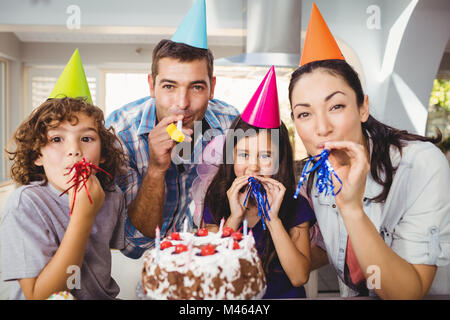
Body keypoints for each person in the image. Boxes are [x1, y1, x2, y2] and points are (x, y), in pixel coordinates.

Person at [288, 3, 449, 299]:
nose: (322, 128)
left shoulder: (420, 164)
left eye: (336, 106)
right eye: (305, 114)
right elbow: (334, 251)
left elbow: (405, 293)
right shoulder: (314, 178)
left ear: (363, 107)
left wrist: (351, 208)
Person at [106, 0, 238, 259]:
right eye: (169, 86)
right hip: (146, 265)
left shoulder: (231, 124)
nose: (182, 103)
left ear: (211, 86)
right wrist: (156, 169)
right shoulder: (120, 133)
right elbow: (134, 244)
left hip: (213, 260)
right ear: (151, 85)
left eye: (196, 87)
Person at [202, 67, 315, 299]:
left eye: (265, 156)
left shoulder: (296, 205)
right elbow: (207, 270)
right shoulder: (216, 200)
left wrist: (272, 219)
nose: (253, 167)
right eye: (243, 155)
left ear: (280, 161)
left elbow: (299, 277)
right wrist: (234, 217)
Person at [1, 97, 127, 300]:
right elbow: (38, 296)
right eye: (57, 139)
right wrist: (82, 217)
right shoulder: (25, 203)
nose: (74, 150)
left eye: (86, 139)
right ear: (37, 154)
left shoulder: (112, 196)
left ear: (102, 153)